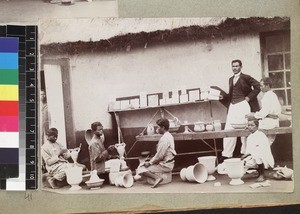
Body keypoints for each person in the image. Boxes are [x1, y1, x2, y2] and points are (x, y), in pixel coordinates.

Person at [220, 59, 261, 162]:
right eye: (233, 66)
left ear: (241, 67)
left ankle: (245, 152)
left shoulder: (246, 77)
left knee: (244, 127)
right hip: (233, 106)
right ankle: (227, 154)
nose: (235, 68)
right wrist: (223, 97)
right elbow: (232, 93)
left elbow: (258, 86)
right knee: (229, 128)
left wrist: (248, 97)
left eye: (237, 66)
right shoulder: (230, 79)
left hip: (243, 105)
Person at [137, 118, 177, 188]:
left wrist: (149, 163)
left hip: (166, 165)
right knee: (146, 163)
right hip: (169, 162)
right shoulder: (170, 136)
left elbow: (159, 156)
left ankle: (157, 178)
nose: (157, 129)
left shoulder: (164, 139)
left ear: (163, 127)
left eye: (158, 127)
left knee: (141, 169)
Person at [246, 77, 282, 145]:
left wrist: (254, 115)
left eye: (261, 86)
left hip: (270, 122)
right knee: (266, 143)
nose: (260, 88)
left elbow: (264, 112)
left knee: (253, 132)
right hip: (273, 122)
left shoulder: (268, 96)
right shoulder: (272, 94)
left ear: (267, 85)